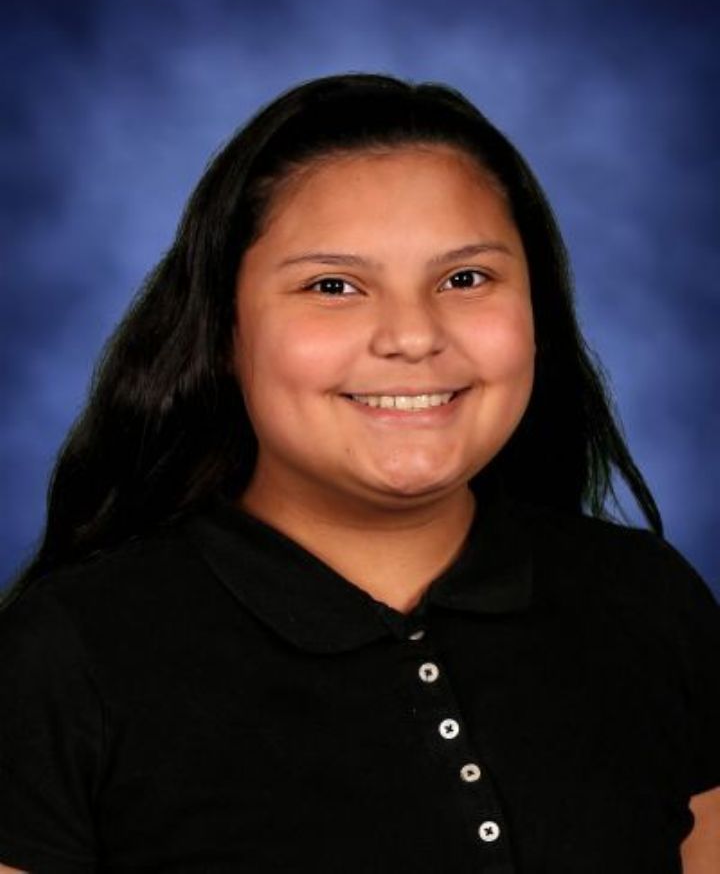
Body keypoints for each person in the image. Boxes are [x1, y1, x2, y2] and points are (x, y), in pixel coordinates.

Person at [0, 72, 718, 873]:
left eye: (465, 279)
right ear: (224, 331)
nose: (412, 336)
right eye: (333, 286)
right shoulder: (68, 657)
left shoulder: (650, 602)